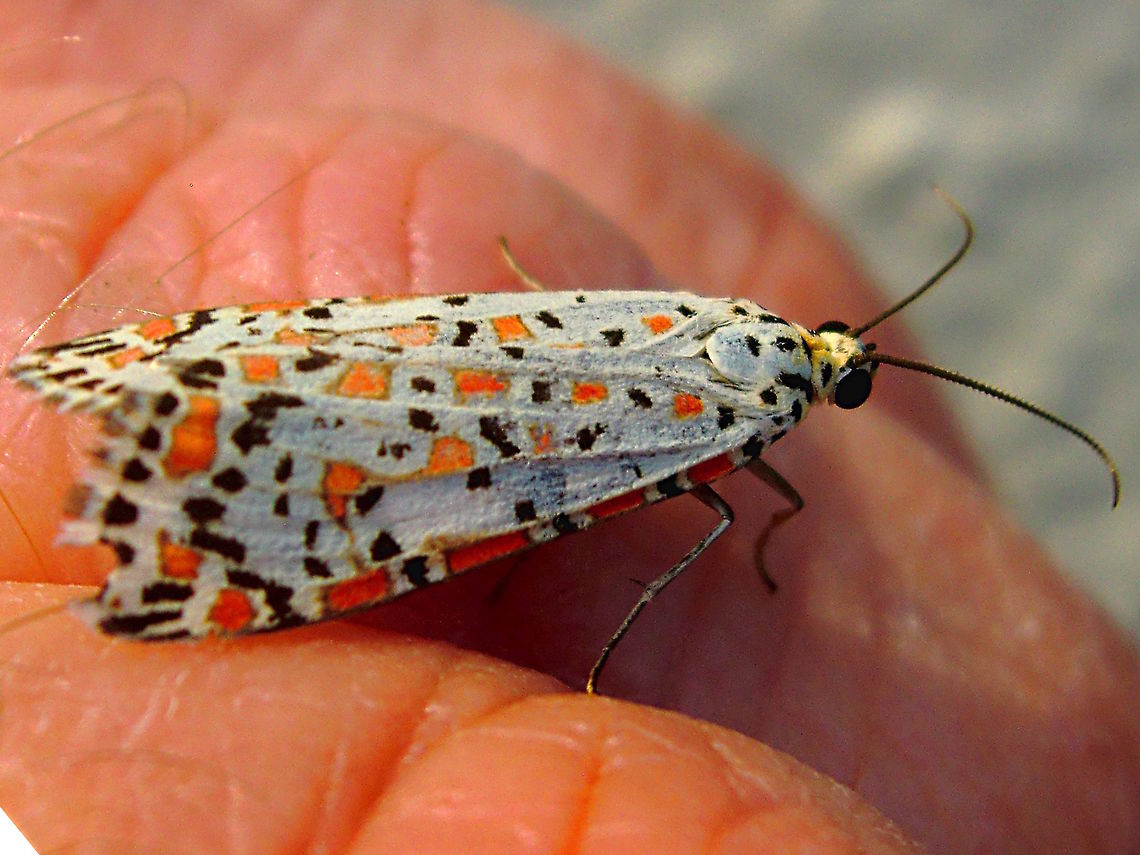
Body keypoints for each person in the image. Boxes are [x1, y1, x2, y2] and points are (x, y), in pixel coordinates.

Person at [0, 2, 1135, 852]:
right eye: (841, 367)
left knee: (398, 346)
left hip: (428, 354)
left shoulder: (730, 320)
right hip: (459, 452)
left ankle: (182, 405)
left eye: (838, 368)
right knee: (548, 484)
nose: (838, 364)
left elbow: (590, 330)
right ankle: (208, 491)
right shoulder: (738, 433)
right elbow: (715, 507)